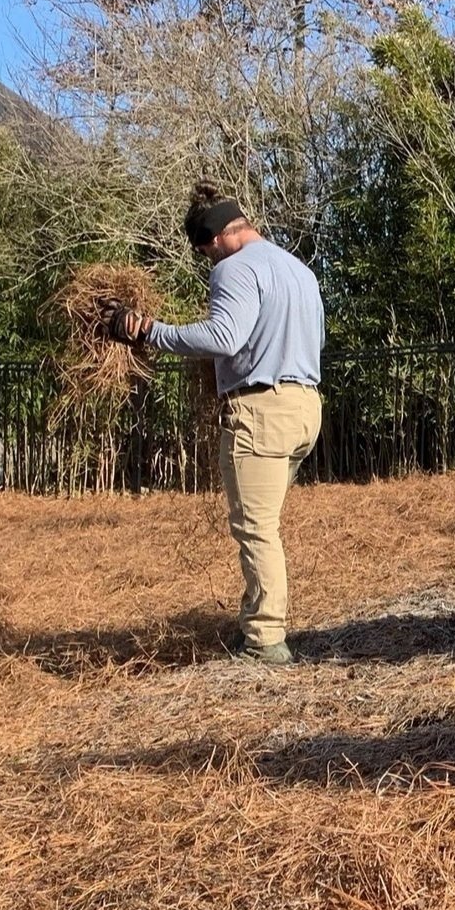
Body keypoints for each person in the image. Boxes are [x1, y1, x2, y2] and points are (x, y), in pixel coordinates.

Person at [101, 183, 324, 666]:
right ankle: (258, 614)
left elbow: (225, 336)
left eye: (205, 253)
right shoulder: (298, 270)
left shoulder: (234, 268)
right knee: (265, 524)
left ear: (216, 238)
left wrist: (148, 331)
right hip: (306, 408)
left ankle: (266, 641)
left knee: (255, 527)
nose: (209, 263)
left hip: (262, 413)